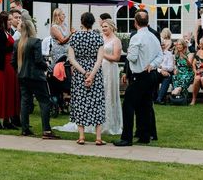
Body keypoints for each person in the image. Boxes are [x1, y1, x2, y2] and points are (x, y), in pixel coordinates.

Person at [114, 11, 163, 147]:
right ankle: (144, 136)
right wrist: (152, 64)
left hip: (139, 76)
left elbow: (132, 57)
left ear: (135, 23)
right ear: (147, 22)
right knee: (145, 106)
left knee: (128, 105)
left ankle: (127, 138)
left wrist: (129, 52)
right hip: (151, 75)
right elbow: (160, 55)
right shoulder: (153, 37)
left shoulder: (136, 38)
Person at [11, 17, 60, 139]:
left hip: (22, 76)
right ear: (32, 29)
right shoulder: (35, 41)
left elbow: (12, 62)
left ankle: (25, 129)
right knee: (44, 102)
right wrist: (46, 66)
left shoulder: (17, 43)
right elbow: (38, 60)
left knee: (25, 102)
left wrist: (19, 71)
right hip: (36, 76)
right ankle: (46, 130)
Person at [68, 12, 106, 145]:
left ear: (82, 22)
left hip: (80, 72)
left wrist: (84, 73)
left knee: (80, 102)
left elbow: (71, 59)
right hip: (95, 72)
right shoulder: (98, 37)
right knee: (97, 102)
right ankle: (98, 137)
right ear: (93, 22)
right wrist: (92, 74)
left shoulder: (75, 37)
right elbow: (100, 59)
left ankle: (82, 136)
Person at [0, 11, 20, 129]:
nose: (11, 21)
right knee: (1, 91)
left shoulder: (7, 32)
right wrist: (12, 48)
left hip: (9, 65)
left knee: (9, 92)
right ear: (3, 21)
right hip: (2, 66)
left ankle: (7, 119)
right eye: (9, 20)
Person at [100, 19, 122, 135]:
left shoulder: (116, 40)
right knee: (100, 93)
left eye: (105, 27)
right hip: (100, 68)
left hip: (110, 69)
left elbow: (116, 58)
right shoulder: (100, 37)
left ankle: (110, 123)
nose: (103, 29)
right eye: (102, 27)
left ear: (112, 27)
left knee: (110, 93)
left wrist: (102, 54)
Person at [156, 39, 175, 104]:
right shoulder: (154, 54)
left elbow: (171, 68)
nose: (162, 46)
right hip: (157, 73)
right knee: (152, 76)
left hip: (167, 73)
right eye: (161, 45)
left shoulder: (169, 54)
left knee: (168, 77)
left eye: (163, 45)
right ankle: (153, 98)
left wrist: (162, 68)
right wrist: (161, 70)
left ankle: (159, 98)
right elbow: (153, 66)